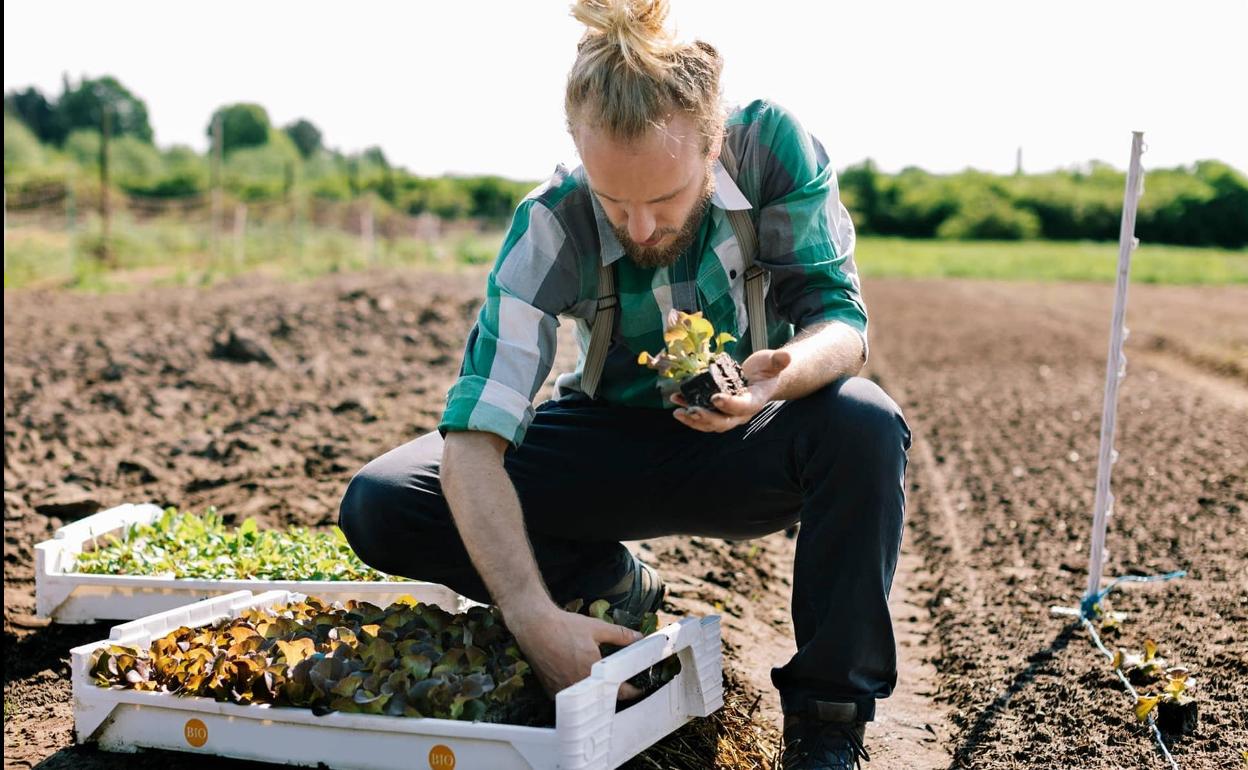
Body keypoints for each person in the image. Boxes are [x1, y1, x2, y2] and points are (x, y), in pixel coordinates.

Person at [339, 1, 910, 767]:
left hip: (747, 433)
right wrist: (530, 616)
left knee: (865, 424)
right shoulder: (551, 220)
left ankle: (826, 725)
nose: (639, 229)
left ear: (712, 148)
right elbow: (474, 441)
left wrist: (780, 376)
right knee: (385, 501)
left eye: (665, 200)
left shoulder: (773, 149)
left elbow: (840, 322)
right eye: (616, 204)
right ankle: (607, 578)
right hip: (604, 440)